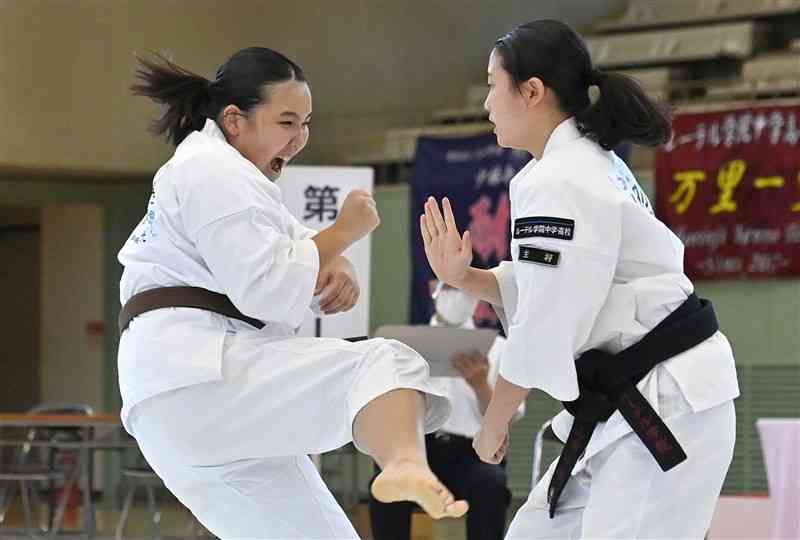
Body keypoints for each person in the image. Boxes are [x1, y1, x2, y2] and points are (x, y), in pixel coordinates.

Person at [117, 47, 467, 539]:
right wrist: (344, 232)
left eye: (305, 124)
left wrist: (333, 260)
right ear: (235, 120)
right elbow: (266, 284)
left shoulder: (229, 175)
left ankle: (402, 465)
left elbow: (294, 249)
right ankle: (404, 461)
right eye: (286, 122)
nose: (298, 139)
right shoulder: (210, 170)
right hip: (201, 376)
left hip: (184, 402)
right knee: (383, 362)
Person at [420, 19, 739, 540]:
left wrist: (494, 420)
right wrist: (466, 276)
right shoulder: (576, 167)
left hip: (665, 404)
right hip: (628, 403)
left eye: (491, 85)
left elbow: (548, 320)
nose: (485, 103)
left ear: (531, 92)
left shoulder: (565, 178)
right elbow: (564, 288)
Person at [369, 280, 523, 540]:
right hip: (418, 447)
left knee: (491, 483)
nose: (459, 297)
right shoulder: (405, 345)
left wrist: (480, 385)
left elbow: (506, 417)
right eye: (451, 288)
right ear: (433, 289)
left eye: (466, 289)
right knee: (390, 478)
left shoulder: (497, 348)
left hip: (471, 454)